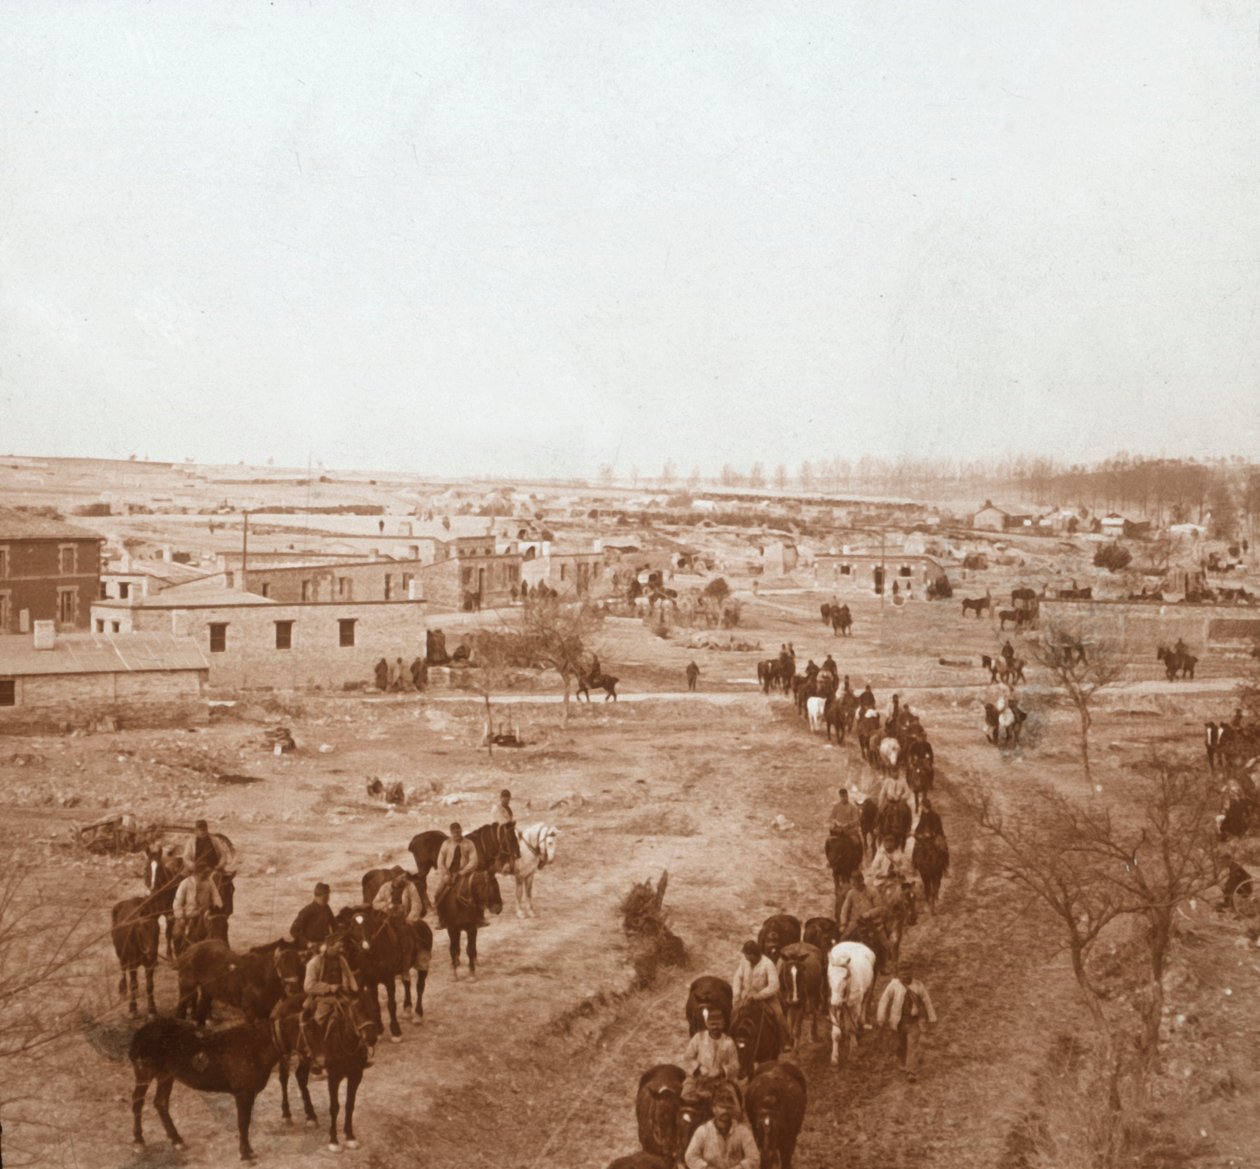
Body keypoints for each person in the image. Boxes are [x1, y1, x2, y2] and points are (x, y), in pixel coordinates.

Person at [301, 933, 362, 1077]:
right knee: (319, 1023)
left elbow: (348, 975)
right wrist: (328, 987)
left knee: (357, 1018)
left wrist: (354, 988)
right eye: (338, 946)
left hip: (341, 996)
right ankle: (315, 1059)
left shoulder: (341, 959)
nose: (341, 949)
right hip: (322, 998)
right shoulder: (315, 963)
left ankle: (358, 1052)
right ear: (329, 946)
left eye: (341, 946)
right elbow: (308, 986)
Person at [876, 959, 937, 1082]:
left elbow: (926, 1001)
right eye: (902, 972)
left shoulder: (918, 985)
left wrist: (932, 1017)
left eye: (908, 972)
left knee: (912, 1046)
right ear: (898, 973)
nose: (905, 975)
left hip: (913, 1022)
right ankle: (903, 1062)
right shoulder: (894, 985)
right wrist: (881, 1017)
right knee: (901, 1045)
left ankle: (911, 1072)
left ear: (912, 972)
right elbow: (884, 1000)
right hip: (898, 1023)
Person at [731, 940, 790, 1049]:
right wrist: (737, 995)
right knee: (734, 1013)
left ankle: (785, 1041)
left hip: (766, 998)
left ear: (754, 954)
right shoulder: (744, 962)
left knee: (779, 1015)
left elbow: (774, 985)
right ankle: (730, 1038)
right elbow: (737, 977)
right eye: (745, 954)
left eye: (748, 954)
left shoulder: (768, 964)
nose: (746, 957)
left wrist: (758, 996)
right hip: (747, 996)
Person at [683, 1085, 758, 1169]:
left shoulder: (742, 1131)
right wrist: (706, 1167)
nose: (725, 1111)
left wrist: (739, 1167)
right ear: (714, 1109)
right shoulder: (703, 1131)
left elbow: (754, 1158)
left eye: (728, 1108)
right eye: (721, 1107)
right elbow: (690, 1156)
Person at [681, 1008, 741, 1101]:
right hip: (697, 1079)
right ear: (707, 1024)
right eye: (712, 1024)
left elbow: (735, 1065)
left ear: (723, 1024)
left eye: (719, 1024)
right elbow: (687, 1058)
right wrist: (699, 1068)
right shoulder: (698, 1038)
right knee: (686, 1098)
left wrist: (721, 1071)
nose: (715, 1028)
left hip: (720, 1082)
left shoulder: (728, 1042)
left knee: (732, 1102)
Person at [433, 823, 478, 928]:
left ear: (461, 830)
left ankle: (480, 918)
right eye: (454, 832)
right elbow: (440, 861)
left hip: (465, 873)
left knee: (477, 891)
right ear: (451, 833)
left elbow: (474, 861)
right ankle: (441, 919)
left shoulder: (469, 843)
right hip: (449, 873)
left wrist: (463, 872)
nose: (456, 834)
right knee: (437, 894)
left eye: (458, 831)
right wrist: (445, 873)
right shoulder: (446, 844)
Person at [837, 871, 890, 957]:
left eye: (856, 882)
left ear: (862, 880)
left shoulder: (872, 891)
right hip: (855, 922)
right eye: (853, 882)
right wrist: (843, 924)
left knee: (885, 943)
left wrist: (868, 914)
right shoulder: (851, 893)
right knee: (843, 939)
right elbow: (844, 909)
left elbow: (880, 908)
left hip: (872, 921)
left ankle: (888, 961)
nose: (854, 884)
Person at [172, 861, 223, 947]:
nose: (207, 875)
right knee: (177, 934)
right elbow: (177, 902)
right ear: (198, 873)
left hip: (205, 914)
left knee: (217, 930)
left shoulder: (209, 882)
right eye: (205, 873)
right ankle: (179, 953)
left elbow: (216, 896)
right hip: (188, 915)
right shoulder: (186, 883)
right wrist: (180, 917)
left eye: (207, 873)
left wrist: (218, 908)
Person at [373, 866, 424, 936]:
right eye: (402, 878)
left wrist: (410, 918)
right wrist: (388, 905)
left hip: (405, 918)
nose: (404, 879)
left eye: (405, 877)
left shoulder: (410, 886)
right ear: (394, 879)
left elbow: (417, 904)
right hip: (388, 918)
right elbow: (375, 903)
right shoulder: (385, 887)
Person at [290, 882, 335, 954]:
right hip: (311, 947)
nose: (328, 899)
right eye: (325, 897)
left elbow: (334, 925)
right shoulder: (307, 911)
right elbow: (293, 930)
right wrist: (307, 943)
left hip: (324, 944)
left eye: (328, 896)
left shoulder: (326, 908)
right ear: (318, 896)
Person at [870, 835, 909, 901]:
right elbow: (873, 870)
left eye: (891, 842)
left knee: (904, 894)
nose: (889, 844)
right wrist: (885, 873)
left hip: (896, 880)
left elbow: (906, 866)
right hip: (882, 881)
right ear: (884, 843)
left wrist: (897, 871)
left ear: (894, 843)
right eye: (887, 842)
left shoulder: (899, 854)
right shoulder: (880, 855)